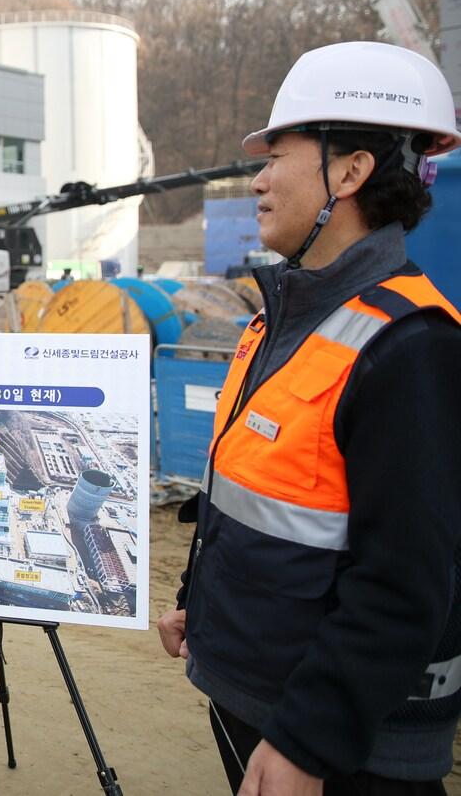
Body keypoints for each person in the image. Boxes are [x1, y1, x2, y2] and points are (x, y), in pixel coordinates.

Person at [156, 41, 461, 795]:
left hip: (343, 744)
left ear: (350, 171)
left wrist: (308, 742)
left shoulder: (410, 344)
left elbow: (407, 582)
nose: (257, 180)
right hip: (257, 694)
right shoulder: (283, 319)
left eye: (277, 155)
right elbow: (263, 491)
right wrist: (206, 607)